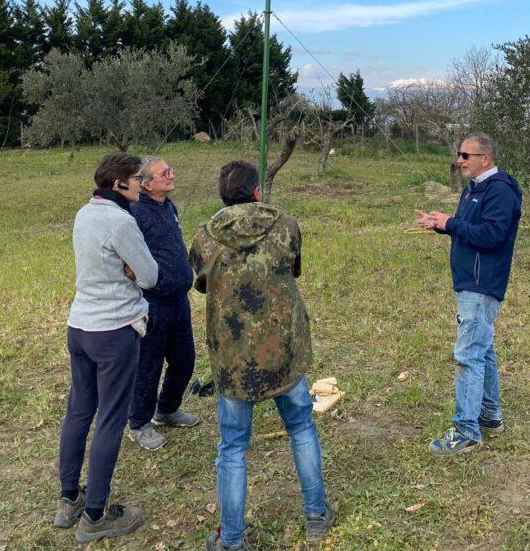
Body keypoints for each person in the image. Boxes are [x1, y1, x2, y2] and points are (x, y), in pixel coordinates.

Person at [189, 160, 333, 551]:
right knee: (301, 427)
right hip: (284, 353)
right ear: (257, 191)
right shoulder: (286, 226)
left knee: (233, 447)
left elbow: (201, 283)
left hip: (232, 360)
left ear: (223, 195)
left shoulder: (204, 238)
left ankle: (232, 539)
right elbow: (292, 268)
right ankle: (316, 515)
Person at [55, 152, 158, 543]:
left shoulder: (84, 213)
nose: (142, 184)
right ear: (119, 184)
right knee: (111, 420)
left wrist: (127, 269)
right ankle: (96, 515)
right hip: (114, 331)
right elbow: (150, 276)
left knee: (79, 411)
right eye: (138, 178)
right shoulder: (122, 221)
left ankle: (69, 499)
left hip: (79, 326)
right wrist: (131, 271)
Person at [414, 132, 522, 456]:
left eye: (465, 155)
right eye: (459, 154)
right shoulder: (474, 188)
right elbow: (466, 228)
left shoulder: (500, 190)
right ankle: (489, 415)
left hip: (482, 284)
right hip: (469, 281)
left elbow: (492, 235)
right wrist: (442, 224)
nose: (459, 160)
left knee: (468, 354)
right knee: (482, 349)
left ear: (484, 159)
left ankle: (466, 431)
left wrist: (451, 223)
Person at [127, 156, 199, 451]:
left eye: (171, 170)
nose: (172, 175)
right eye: (165, 173)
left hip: (179, 300)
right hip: (153, 303)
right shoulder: (135, 213)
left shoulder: (169, 206)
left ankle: (166, 409)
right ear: (146, 184)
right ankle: (139, 424)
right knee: (148, 366)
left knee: (185, 360)